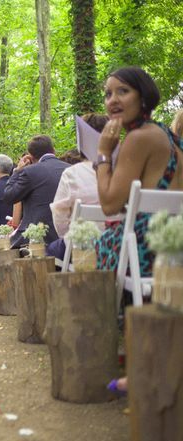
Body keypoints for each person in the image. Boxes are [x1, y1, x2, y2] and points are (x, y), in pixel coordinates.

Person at [94, 67, 183, 395]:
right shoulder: (169, 135)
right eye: (107, 93)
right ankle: (144, 350)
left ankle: (139, 356)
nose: (112, 100)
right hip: (172, 238)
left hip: (146, 243)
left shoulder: (138, 138)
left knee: (105, 239)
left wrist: (103, 153)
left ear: (143, 96)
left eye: (122, 91)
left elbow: (109, 204)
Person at [47, 113, 109, 258]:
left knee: (49, 251)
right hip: (119, 246)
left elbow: (60, 218)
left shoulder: (72, 174)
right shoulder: (126, 171)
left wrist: (70, 238)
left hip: (82, 247)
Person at [3, 135, 70, 248]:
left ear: (31, 156)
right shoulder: (71, 169)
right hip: (67, 238)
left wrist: (17, 171)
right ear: (53, 150)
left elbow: (9, 196)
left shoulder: (30, 172)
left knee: (2, 246)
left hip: (37, 238)